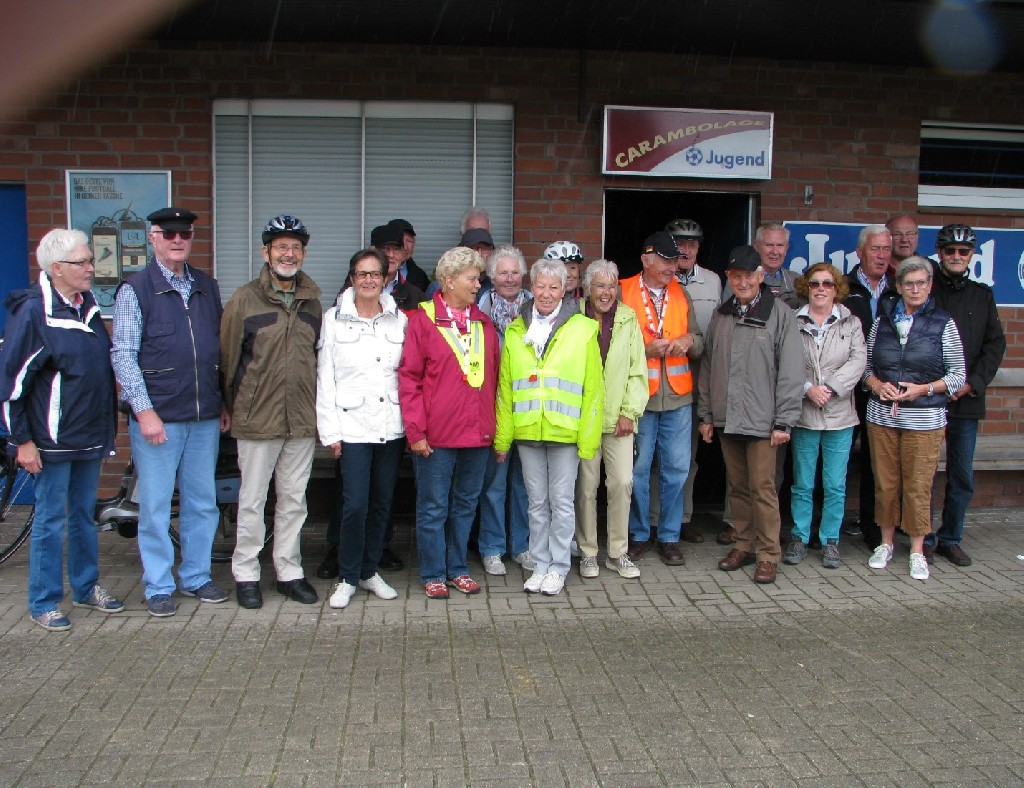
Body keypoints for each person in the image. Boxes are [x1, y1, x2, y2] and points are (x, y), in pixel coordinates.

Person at [0, 228, 122, 631]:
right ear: (57, 268)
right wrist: (22, 441)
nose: (91, 268)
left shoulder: (85, 305)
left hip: (88, 436)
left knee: (84, 517)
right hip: (49, 441)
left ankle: (86, 587)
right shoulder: (34, 313)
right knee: (51, 520)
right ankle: (43, 601)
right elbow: (12, 385)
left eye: (89, 260)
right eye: (83, 262)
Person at [111, 207, 229, 617]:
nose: (178, 240)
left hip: (204, 417)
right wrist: (144, 412)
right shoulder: (136, 289)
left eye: (185, 233)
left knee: (202, 503)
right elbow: (123, 356)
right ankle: (159, 584)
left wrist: (223, 402)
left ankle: (196, 577)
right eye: (170, 233)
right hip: (158, 419)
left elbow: (219, 351)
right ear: (153, 238)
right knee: (156, 506)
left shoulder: (207, 287)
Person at [221, 214, 322, 609]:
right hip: (256, 419)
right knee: (252, 499)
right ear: (266, 252)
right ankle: (246, 572)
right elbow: (228, 360)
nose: (289, 253)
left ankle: (288, 571)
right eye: (281, 246)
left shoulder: (312, 301)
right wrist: (231, 408)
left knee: (294, 500)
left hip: (300, 419)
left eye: (295, 247)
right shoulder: (244, 299)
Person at [495, 258, 603, 596]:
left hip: (565, 433)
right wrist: (503, 437)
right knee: (536, 504)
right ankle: (539, 564)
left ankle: (558, 566)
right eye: (540, 286)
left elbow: (593, 391)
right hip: (528, 431)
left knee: (562, 503)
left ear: (564, 290)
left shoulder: (583, 328)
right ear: (532, 287)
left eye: (553, 287)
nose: (545, 293)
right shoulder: (516, 330)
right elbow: (505, 389)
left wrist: (587, 442)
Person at [398, 246, 500, 599]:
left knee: (465, 505)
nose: (478, 284)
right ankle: (432, 571)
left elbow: (495, 379)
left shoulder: (484, 324)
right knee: (433, 506)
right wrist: (416, 433)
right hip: (436, 437)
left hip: (477, 433)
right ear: (450, 280)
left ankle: (457, 568)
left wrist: (495, 431)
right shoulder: (422, 321)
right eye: (473, 278)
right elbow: (409, 379)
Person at [698, 245, 803, 585]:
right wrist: (707, 415)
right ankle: (743, 544)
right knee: (738, 488)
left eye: (749, 276)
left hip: (763, 422)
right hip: (728, 417)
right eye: (736, 276)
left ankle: (769, 553)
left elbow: (790, 372)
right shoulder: (722, 314)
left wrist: (784, 421)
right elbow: (709, 367)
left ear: (761, 277)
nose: (743, 282)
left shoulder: (781, 315)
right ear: (729, 278)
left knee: (763, 489)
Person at [862, 256, 966, 581]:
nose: (915, 289)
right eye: (909, 283)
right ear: (900, 287)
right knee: (886, 484)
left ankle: (918, 550)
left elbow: (958, 375)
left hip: (925, 420)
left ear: (930, 286)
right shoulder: (883, 321)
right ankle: (886, 543)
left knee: (918, 486)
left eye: (921, 283)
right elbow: (865, 369)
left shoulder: (943, 322)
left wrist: (923, 389)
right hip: (882, 417)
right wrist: (877, 385)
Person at [317, 249, 407, 609]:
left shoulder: (399, 320)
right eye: (361, 274)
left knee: (382, 504)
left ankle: (369, 571)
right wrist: (330, 431)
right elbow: (326, 378)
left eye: (375, 274)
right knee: (355, 504)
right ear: (352, 279)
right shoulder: (333, 319)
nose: (369, 280)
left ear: (385, 278)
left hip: (390, 426)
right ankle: (347, 575)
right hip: (352, 427)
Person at [925, 224, 1006, 567]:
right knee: (923, 472)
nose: (956, 257)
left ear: (971, 254)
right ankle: (923, 537)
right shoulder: (926, 292)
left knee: (961, 474)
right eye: (949, 251)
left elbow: (995, 344)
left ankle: (951, 538)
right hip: (928, 398)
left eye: (963, 251)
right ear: (939, 253)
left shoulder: (982, 295)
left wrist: (971, 383)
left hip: (967, 399)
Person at [621, 231, 702, 567]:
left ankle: (669, 536)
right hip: (640, 399)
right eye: (667, 260)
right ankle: (639, 534)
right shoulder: (623, 290)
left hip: (679, 398)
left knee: (676, 470)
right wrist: (643, 349)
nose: (673, 266)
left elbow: (700, 340)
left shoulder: (681, 294)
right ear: (646, 260)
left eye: (676, 260)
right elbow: (606, 346)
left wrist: (688, 341)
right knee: (637, 471)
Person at [783, 263, 866, 569]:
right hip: (805, 413)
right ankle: (799, 537)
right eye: (815, 283)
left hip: (840, 415)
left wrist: (829, 388)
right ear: (806, 287)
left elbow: (859, 361)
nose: (820, 288)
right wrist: (807, 388)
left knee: (834, 484)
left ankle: (830, 539)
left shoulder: (851, 323)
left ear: (836, 288)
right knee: (802, 483)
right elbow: (784, 360)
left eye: (827, 284)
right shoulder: (792, 320)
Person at [573, 259, 647, 579]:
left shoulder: (629, 319)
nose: (606, 292)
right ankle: (588, 552)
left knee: (621, 484)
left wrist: (629, 412)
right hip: (583, 419)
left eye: (611, 285)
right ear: (588, 288)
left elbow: (637, 370)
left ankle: (618, 553)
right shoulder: (573, 315)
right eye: (600, 285)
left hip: (619, 419)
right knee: (585, 488)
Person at [475, 245, 533, 576]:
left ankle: (521, 545)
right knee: (494, 482)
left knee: (524, 482)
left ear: (523, 274)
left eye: (515, 272)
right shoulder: (478, 309)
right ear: (491, 276)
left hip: (527, 407)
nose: (509, 278)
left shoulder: (537, 307)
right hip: (494, 407)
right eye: (502, 272)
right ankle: (492, 547)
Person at [665, 218, 722, 542]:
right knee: (656, 460)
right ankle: (653, 522)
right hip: (660, 385)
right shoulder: (659, 279)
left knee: (687, 458)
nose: (685, 250)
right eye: (679, 243)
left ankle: (682, 518)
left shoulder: (713, 282)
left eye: (692, 244)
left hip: (697, 383)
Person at [843, 224, 895, 550]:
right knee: (838, 458)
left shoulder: (897, 289)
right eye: (875, 249)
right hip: (847, 388)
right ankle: (824, 527)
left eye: (886, 250)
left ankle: (872, 530)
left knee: (877, 463)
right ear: (860, 252)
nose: (881, 256)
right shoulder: (844, 287)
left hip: (883, 388)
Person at [371, 223, 425, 315]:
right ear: (374, 251)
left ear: (403, 253)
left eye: (396, 249)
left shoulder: (416, 295)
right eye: (385, 249)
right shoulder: (356, 287)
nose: (391, 255)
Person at [387, 218, 430, 292]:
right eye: (399, 241)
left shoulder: (420, 277)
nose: (405, 247)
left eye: (409, 241)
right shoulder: (370, 272)